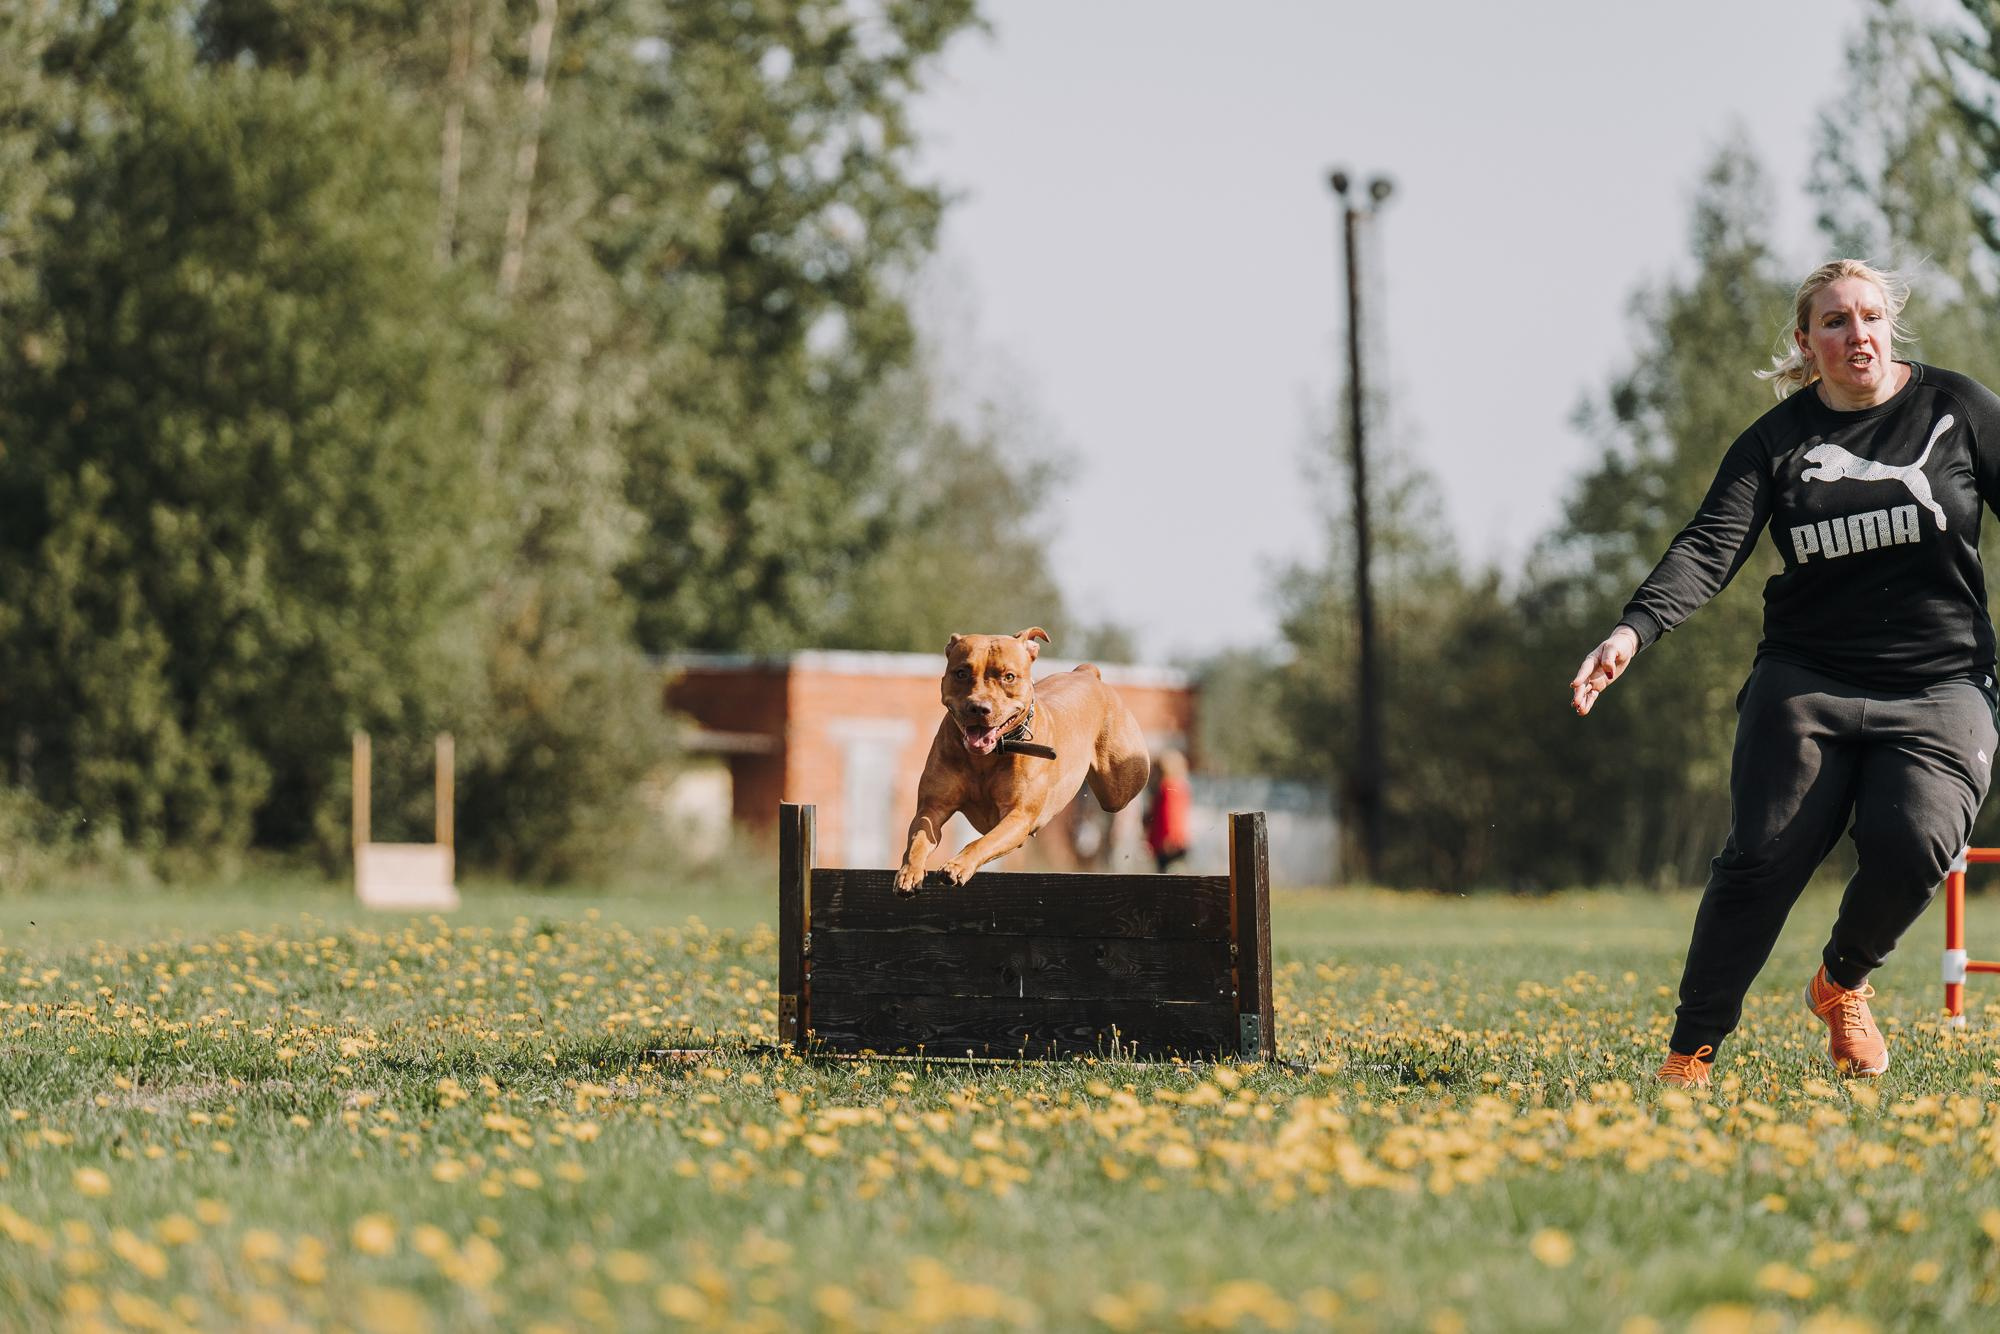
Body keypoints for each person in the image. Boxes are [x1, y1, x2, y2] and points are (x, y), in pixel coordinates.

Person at [1570, 259, 2000, 1088]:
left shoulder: (1958, 408)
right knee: (1761, 859)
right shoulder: (1779, 441)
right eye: (1834, 321)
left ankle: (1842, 981)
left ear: (1891, 326)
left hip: (1942, 681)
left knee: (1916, 842)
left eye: (1871, 316)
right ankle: (1688, 1055)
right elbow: (1709, 545)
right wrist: (1633, 628)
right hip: (1809, 679)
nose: (1857, 334)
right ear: (1806, 343)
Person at [1144, 748, 1193, 874]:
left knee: (1166, 882)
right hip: (1179, 841)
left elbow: (1168, 814)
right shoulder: (1182, 786)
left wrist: (1167, 839)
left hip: (1168, 844)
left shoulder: (1167, 788)